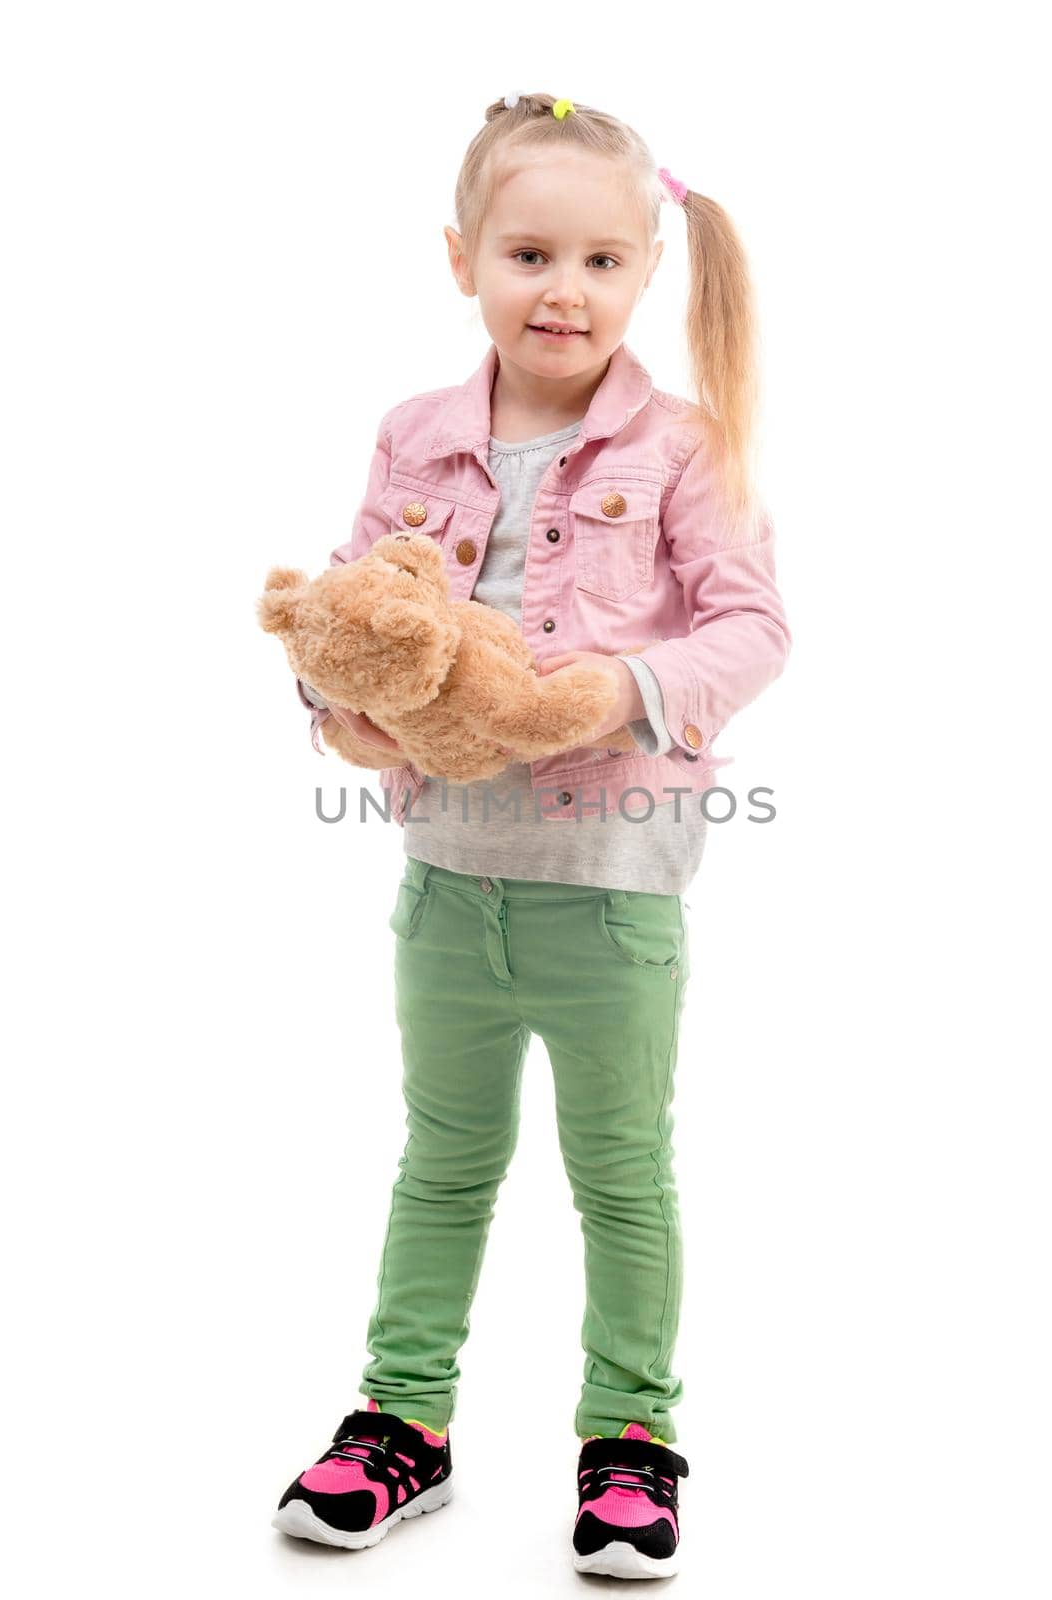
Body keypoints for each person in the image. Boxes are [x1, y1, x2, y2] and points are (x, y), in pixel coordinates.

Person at [271, 91, 791, 1580]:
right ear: (461, 259)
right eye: (527, 253)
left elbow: (753, 630)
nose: (562, 290)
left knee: (619, 1171)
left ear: (644, 273)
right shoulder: (411, 435)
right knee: (442, 1160)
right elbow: (349, 622)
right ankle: (403, 1423)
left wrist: (616, 691)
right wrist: (337, 708)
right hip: (445, 883)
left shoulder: (685, 446)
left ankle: (630, 1438)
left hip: (613, 889)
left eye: (600, 262)